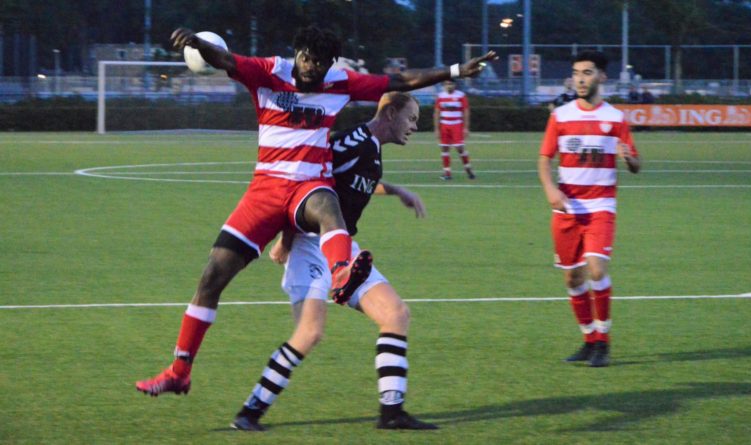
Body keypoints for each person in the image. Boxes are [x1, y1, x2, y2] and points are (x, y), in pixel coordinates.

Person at [135, 26, 496, 397]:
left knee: (327, 205)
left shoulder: (339, 81)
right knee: (211, 277)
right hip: (265, 191)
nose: (312, 69)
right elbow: (226, 59)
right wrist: (198, 44)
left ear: (330, 65)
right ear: (298, 53)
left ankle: (342, 274)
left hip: (309, 186)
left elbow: (399, 80)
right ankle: (180, 371)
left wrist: (454, 71)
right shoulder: (268, 71)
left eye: (321, 64)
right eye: (307, 60)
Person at [231, 92, 435, 431]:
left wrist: (396, 190)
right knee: (309, 333)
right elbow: (302, 183)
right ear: (391, 113)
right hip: (310, 243)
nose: (415, 126)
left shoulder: (369, 145)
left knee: (396, 315)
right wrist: (285, 241)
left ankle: (392, 412)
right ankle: (249, 412)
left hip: (340, 246)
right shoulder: (356, 143)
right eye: (411, 118)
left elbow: (352, 181)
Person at [537, 50, 641, 368]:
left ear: (601, 77)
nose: (580, 79)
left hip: (600, 205)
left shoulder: (616, 119)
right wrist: (550, 190)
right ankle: (588, 339)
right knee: (572, 279)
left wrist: (629, 158)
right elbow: (544, 159)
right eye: (576, 73)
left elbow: (636, 164)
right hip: (567, 208)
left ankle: (603, 342)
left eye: (587, 72)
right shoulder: (561, 116)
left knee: (596, 269)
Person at [434, 80, 474, 180]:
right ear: (444, 86)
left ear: (455, 85)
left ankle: (468, 168)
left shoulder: (461, 96)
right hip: (444, 125)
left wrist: (466, 127)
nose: (449, 86)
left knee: (459, 148)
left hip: (457, 124)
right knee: (444, 148)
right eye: (447, 84)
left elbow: (466, 111)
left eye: (451, 84)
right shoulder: (440, 96)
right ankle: (447, 173)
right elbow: (437, 113)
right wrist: (436, 129)